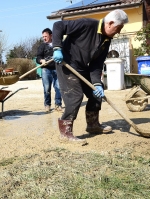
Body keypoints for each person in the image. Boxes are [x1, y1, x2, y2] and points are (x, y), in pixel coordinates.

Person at [52, 9, 129, 144]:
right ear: (110, 23)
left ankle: (93, 125)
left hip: (83, 68)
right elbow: (58, 26)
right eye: (118, 28)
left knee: (96, 94)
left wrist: (97, 83)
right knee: (75, 96)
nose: (119, 32)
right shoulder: (87, 24)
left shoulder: (106, 40)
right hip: (66, 64)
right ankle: (65, 133)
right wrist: (57, 48)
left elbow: (96, 64)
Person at [36, 28, 62, 112]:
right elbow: (38, 57)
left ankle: (58, 105)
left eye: (45, 36)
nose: (44, 38)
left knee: (58, 88)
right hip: (46, 70)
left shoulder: (57, 45)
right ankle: (47, 105)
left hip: (57, 69)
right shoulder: (42, 46)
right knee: (47, 89)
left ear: (51, 36)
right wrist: (41, 60)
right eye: (43, 36)